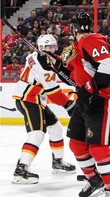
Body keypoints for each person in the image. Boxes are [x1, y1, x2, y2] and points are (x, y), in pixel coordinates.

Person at [39, 12, 110, 197]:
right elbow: (72, 77)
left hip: (99, 102)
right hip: (83, 101)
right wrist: (54, 64)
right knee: (76, 143)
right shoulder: (74, 49)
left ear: (74, 28)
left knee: (98, 148)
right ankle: (94, 180)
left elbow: (109, 66)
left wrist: (94, 90)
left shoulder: (90, 40)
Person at [11, 34, 76, 184]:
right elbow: (53, 92)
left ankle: (57, 162)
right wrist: (69, 106)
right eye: (48, 47)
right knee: (37, 133)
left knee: (56, 127)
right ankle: (21, 170)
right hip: (28, 99)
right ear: (41, 48)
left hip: (34, 99)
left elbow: (54, 64)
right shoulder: (43, 66)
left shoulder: (36, 56)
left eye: (53, 46)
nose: (52, 49)